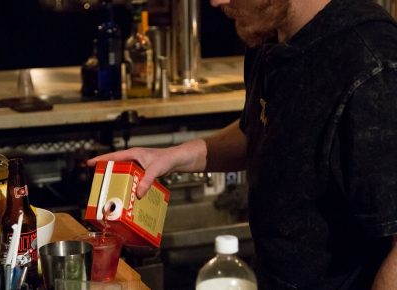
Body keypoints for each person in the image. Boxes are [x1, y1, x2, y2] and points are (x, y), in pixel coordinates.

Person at [87, 0, 397, 289]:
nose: (216, 1)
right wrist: (173, 157)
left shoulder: (372, 66)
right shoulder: (270, 37)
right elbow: (265, 127)